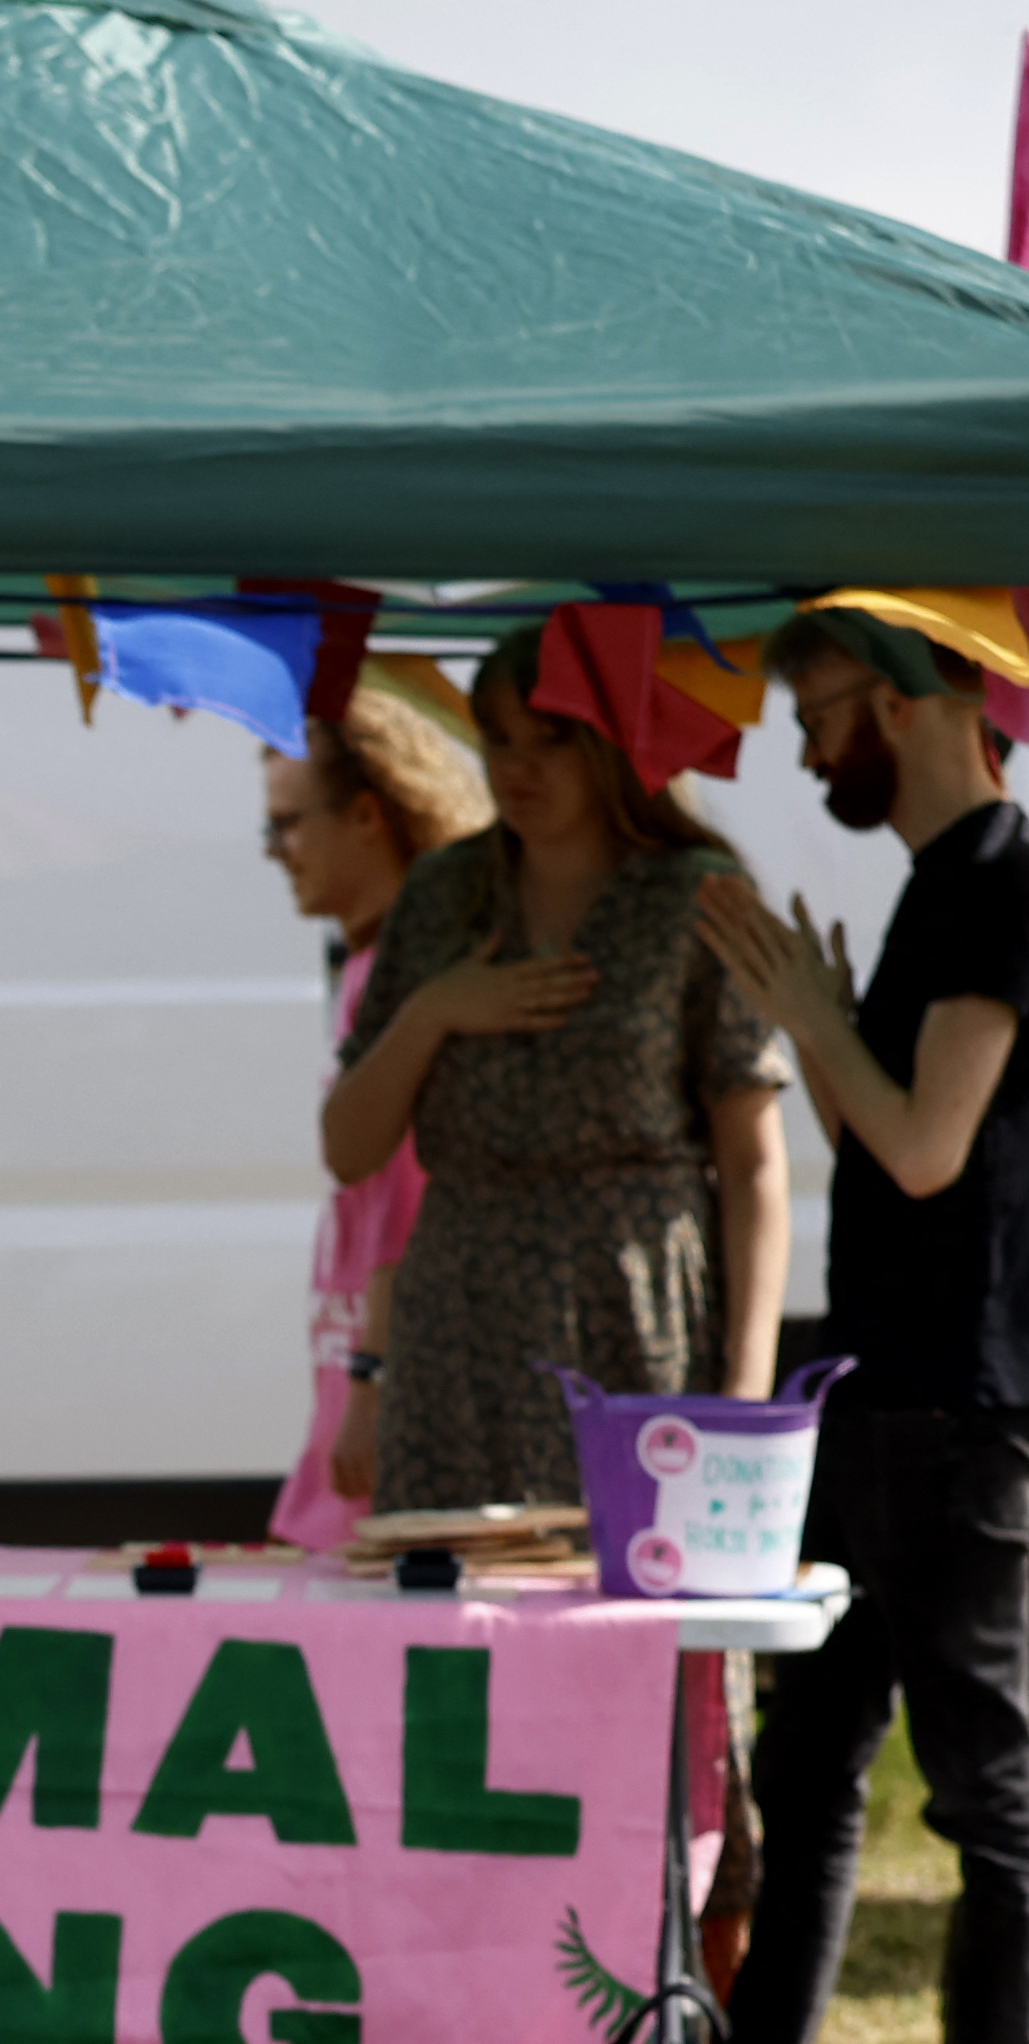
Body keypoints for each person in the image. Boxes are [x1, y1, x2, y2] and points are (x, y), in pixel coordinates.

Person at [697, 613, 1029, 2044]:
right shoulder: (947, 885)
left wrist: (812, 1020)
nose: (802, 747)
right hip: (890, 1396)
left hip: (965, 1405)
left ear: (922, 698)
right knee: (809, 1769)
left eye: (824, 710)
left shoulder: (1003, 882)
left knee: (976, 1776)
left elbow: (922, 1145)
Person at [321, 628, 796, 1516]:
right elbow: (347, 1150)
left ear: (610, 743)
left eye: (551, 739)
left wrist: (745, 1387)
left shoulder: (695, 894)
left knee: (640, 1606)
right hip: (461, 1321)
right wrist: (434, 1012)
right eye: (499, 738)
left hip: (636, 1309)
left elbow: (754, 1164)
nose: (518, 768)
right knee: (458, 1613)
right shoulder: (441, 894)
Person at [257, 686, 489, 1545]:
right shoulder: (375, 962)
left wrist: (372, 1379)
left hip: (387, 1376)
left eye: (288, 823)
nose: (276, 851)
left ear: (367, 814)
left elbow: (406, 1194)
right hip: (367, 1366)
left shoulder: (393, 973)